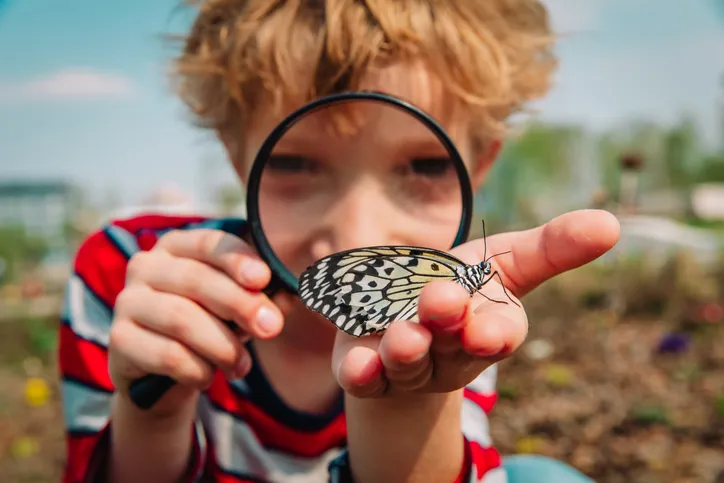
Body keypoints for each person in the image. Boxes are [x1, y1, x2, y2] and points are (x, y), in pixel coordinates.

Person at [58, 1, 620, 482]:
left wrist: (410, 405)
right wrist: (149, 415)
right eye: (294, 162)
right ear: (238, 159)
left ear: (479, 167)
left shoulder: (453, 304)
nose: (357, 235)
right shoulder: (133, 271)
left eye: (424, 166)